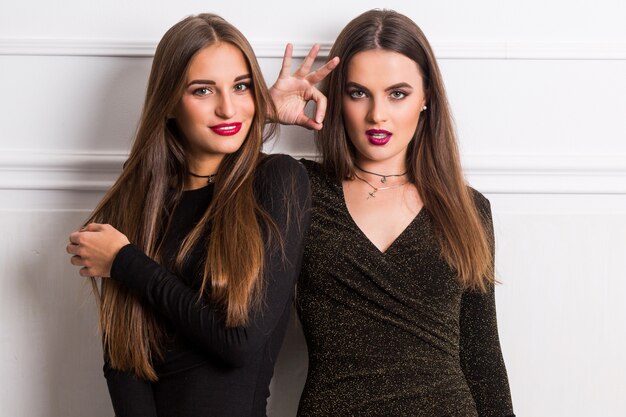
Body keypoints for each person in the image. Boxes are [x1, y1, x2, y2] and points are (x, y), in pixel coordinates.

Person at [66, 13, 336, 417]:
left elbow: (240, 342)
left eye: (241, 86)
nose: (227, 107)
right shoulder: (138, 194)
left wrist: (126, 262)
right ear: (170, 102)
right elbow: (123, 357)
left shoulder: (278, 181)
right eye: (203, 90)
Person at [278, 9, 515, 417]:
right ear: (336, 98)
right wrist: (263, 117)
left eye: (397, 93)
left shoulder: (467, 208)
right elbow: (208, 191)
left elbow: (483, 359)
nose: (377, 115)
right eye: (358, 93)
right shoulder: (297, 188)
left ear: (426, 99)